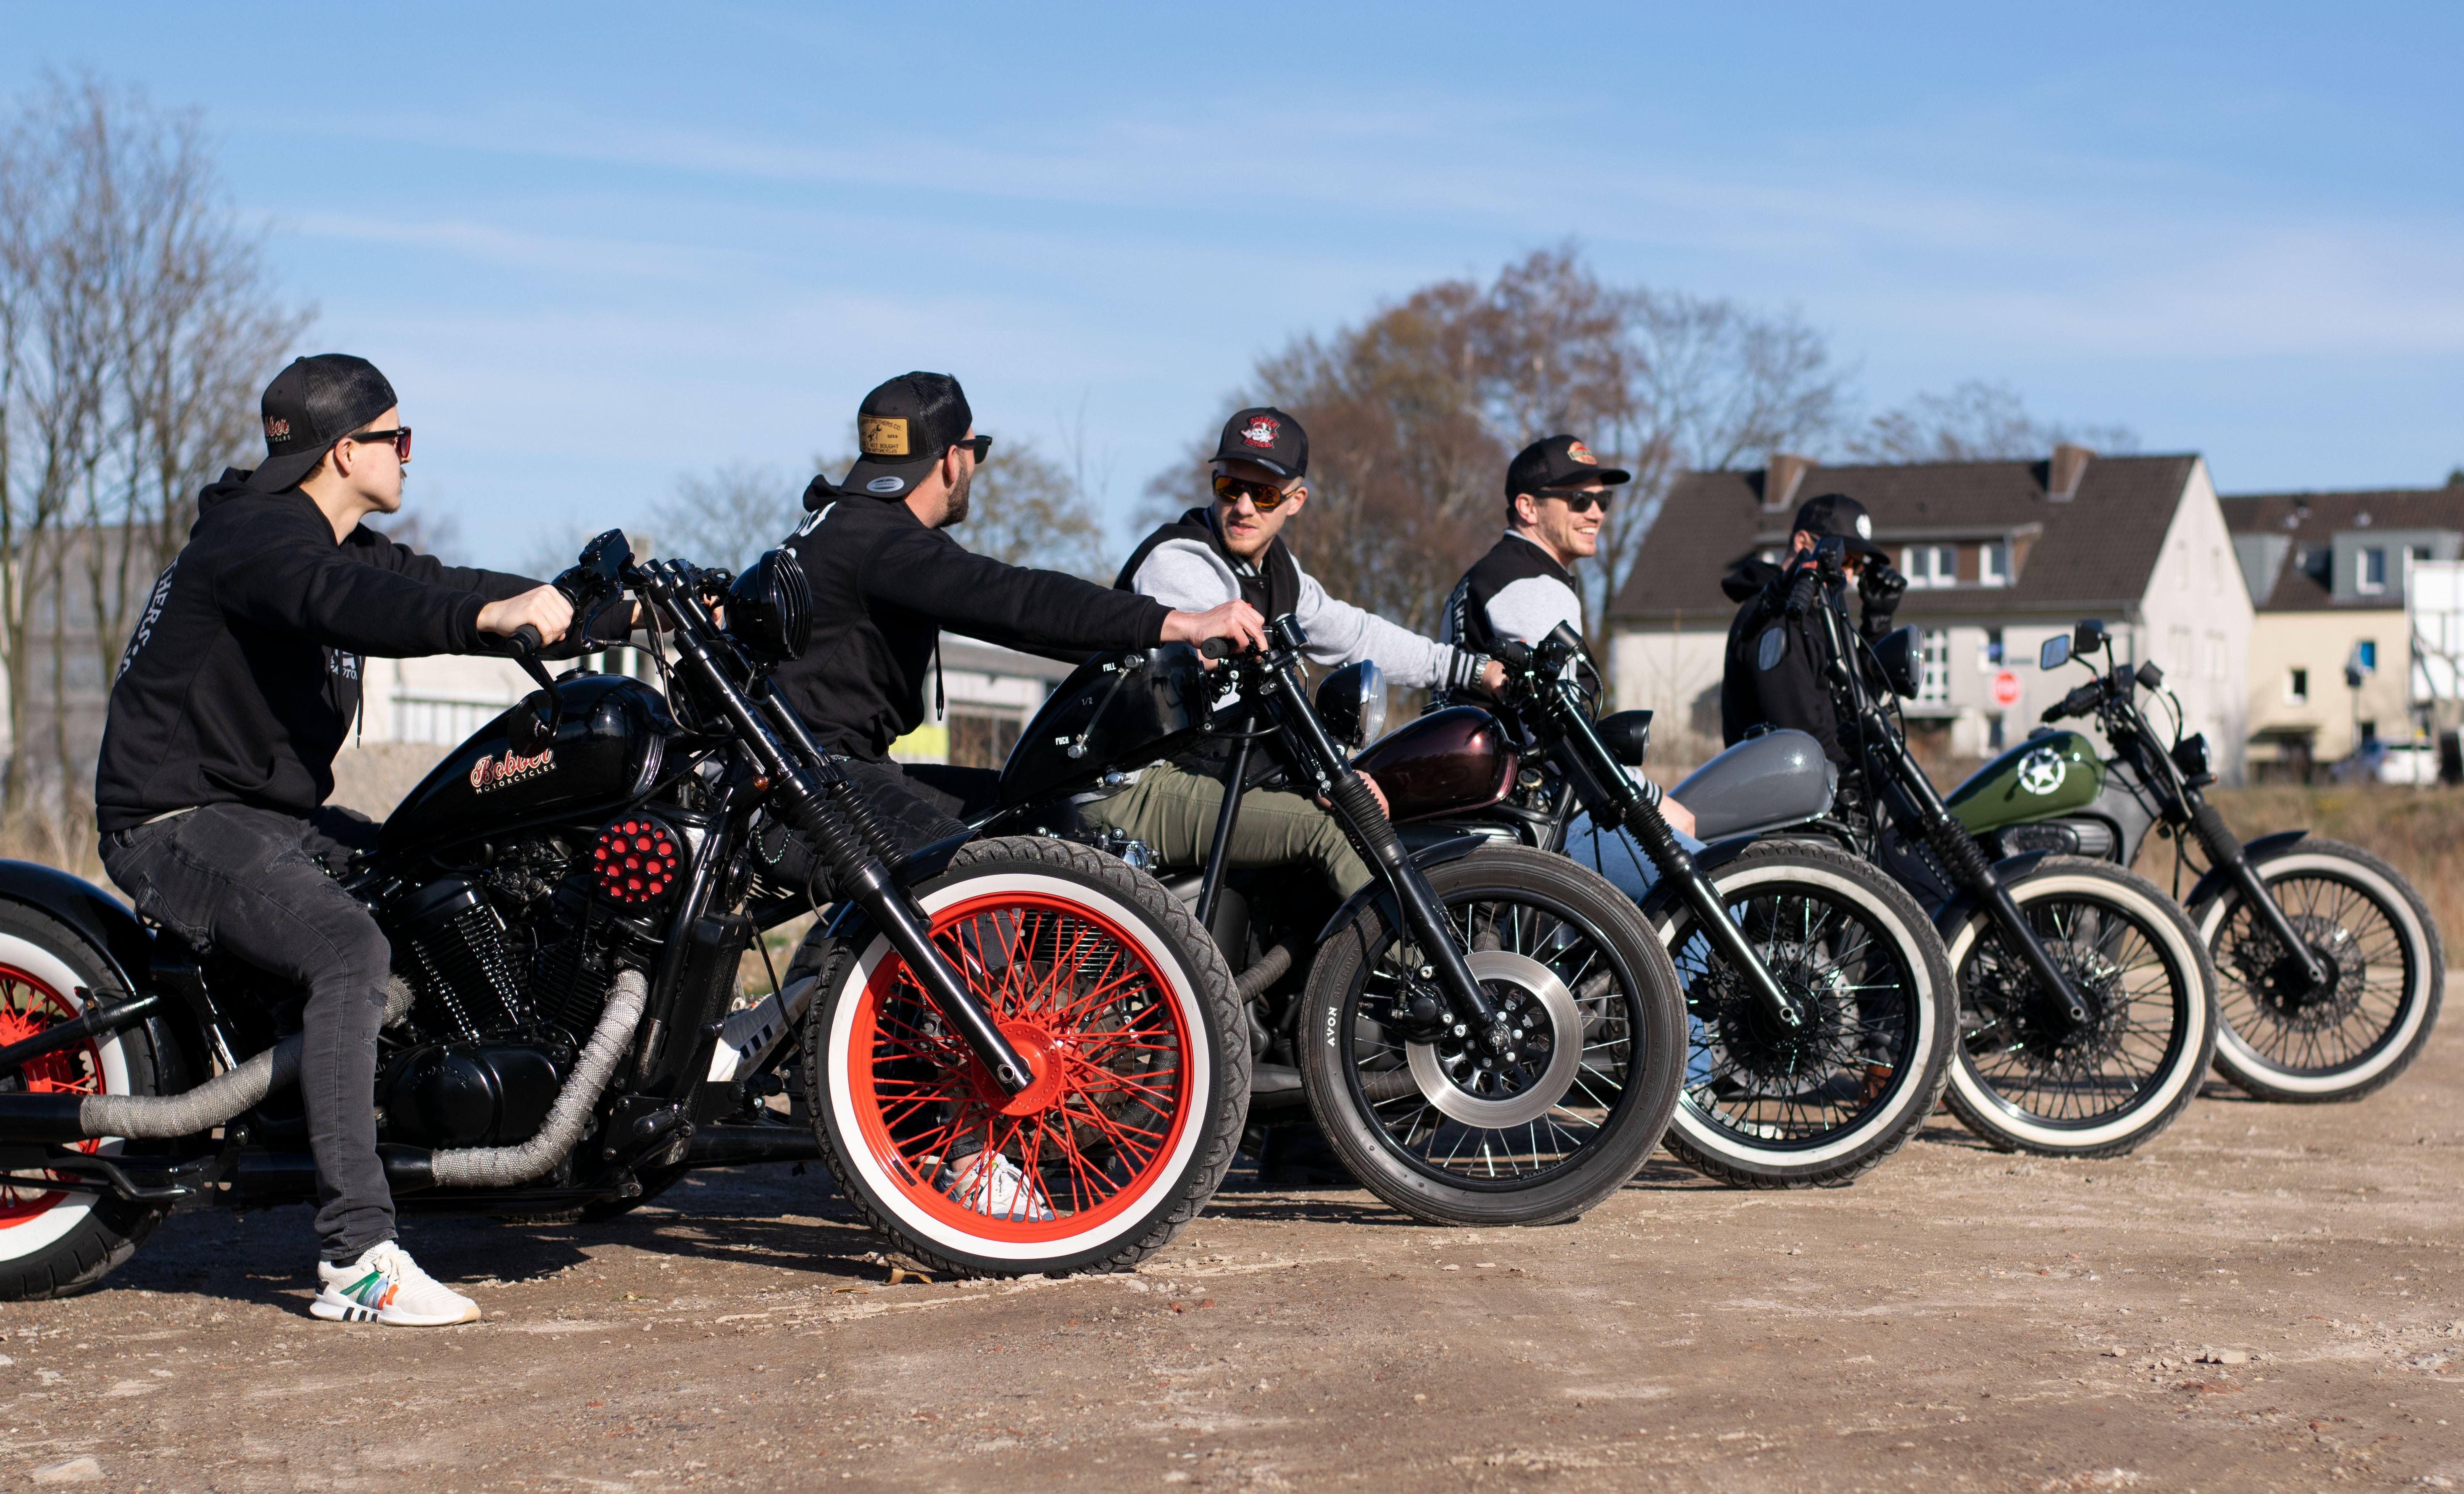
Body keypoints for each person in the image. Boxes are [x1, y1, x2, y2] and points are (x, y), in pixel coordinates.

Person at [96, 354, 576, 1327]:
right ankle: (357, 1256)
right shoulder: (259, 540)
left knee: (447, 872)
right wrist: (485, 615)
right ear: (341, 450)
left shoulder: (334, 544)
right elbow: (352, 605)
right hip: (176, 822)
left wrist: (588, 608)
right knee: (348, 950)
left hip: (264, 818)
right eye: (397, 439)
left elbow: (428, 582)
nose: (409, 456)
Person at [767, 372, 1264, 860]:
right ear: (950, 460)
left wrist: (1157, 648)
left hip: (816, 771)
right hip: (813, 785)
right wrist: (1180, 622)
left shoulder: (840, 523)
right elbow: (1017, 600)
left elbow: (1028, 624)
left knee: (1037, 818)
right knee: (975, 882)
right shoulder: (887, 545)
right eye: (975, 448)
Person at [1099, 407, 1504, 898]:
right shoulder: (1179, 562)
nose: (1244, 506)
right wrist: (1329, 772)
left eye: (1264, 493)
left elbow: (1356, 635)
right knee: (1336, 827)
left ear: (1296, 501)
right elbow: (1232, 700)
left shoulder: (1279, 572)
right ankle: (1417, 972)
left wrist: (1468, 668)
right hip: (1132, 787)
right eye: (1230, 487)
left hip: (1197, 775)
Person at [1439, 434, 1692, 836]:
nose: (1596, 514)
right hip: (1524, 816)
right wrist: (1654, 802)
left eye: (1602, 501)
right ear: (1528, 508)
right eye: (1579, 501)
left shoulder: (1483, 576)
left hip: (1474, 804)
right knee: (1704, 875)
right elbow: (1562, 730)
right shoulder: (1532, 585)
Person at [1717, 492, 1906, 765]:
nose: (1850, 576)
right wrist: (1866, 772)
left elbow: (1858, 704)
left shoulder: (1819, 617)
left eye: (1857, 565)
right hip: (1786, 800)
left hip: (1817, 795)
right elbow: (1804, 736)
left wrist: (1878, 622)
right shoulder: (1776, 617)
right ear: (1803, 542)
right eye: (1843, 559)